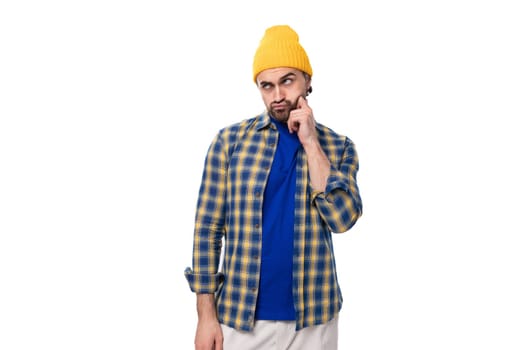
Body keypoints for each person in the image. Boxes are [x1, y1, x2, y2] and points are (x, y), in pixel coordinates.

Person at [184, 24, 363, 350]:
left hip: (315, 319)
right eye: (266, 86)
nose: (277, 96)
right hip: (241, 320)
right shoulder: (230, 142)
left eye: (287, 81)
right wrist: (205, 316)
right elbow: (207, 229)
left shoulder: (338, 147)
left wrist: (310, 143)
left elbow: (343, 219)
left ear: (308, 82)